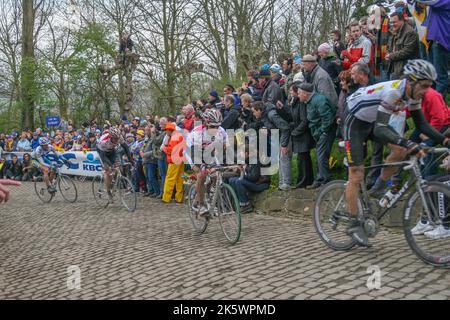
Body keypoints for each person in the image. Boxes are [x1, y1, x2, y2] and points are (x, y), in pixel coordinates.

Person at [343, 60, 450, 246]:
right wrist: (409, 142)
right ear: (411, 81)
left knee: (400, 150)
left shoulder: (413, 95)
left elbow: (422, 125)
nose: (426, 91)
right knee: (356, 174)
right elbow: (380, 129)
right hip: (355, 122)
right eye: (424, 86)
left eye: (429, 86)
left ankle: (378, 187)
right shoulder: (393, 92)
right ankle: (353, 224)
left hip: (373, 120)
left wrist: (445, 140)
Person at [186, 108, 229, 214]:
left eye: (217, 126)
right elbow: (195, 155)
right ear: (206, 124)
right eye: (213, 126)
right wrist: (201, 166)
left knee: (216, 174)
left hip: (209, 152)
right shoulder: (197, 133)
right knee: (201, 174)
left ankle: (210, 196)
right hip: (192, 151)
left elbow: (227, 147)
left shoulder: (221, 131)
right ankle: (201, 205)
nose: (215, 129)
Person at [298, 83, 336, 189]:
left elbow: (327, 118)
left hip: (326, 132)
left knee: (322, 156)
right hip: (318, 133)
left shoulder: (319, 100)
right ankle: (320, 179)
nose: (298, 95)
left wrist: (322, 132)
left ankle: (326, 181)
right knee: (320, 157)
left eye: (299, 93)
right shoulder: (309, 101)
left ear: (305, 93)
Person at [97, 127, 133, 201]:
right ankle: (108, 191)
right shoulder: (103, 141)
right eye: (115, 139)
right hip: (102, 152)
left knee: (117, 168)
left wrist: (130, 159)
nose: (117, 140)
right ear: (111, 137)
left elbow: (125, 147)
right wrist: (110, 166)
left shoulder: (119, 137)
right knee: (109, 170)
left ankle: (113, 184)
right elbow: (103, 156)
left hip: (112, 151)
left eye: (117, 138)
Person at [386, 12, 419, 80]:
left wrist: (390, 56)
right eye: (391, 22)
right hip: (396, 69)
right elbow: (390, 47)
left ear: (402, 21)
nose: (392, 24)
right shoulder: (394, 31)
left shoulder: (410, 32)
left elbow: (407, 51)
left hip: (406, 71)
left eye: (394, 22)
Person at [162, 123, 185, 204]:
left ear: (169, 130)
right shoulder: (178, 136)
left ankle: (166, 198)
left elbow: (171, 150)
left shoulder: (174, 138)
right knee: (179, 179)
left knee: (170, 179)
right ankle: (179, 198)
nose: (166, 132)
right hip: (180, 160)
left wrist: (165, 149)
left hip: (174, 160)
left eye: (166, 130)